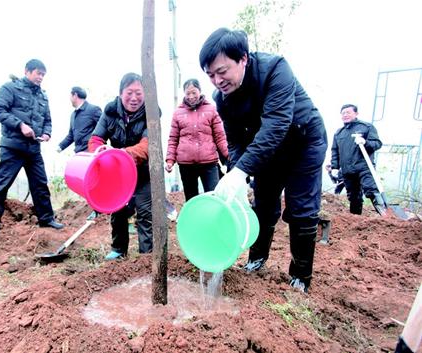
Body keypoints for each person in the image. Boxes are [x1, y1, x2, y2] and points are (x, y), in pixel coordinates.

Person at [199, 28, 328, 293]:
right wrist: (237, 172)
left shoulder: (275, 70)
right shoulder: (221, 99)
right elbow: (235, 140)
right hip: (267, 151)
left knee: (301, 207)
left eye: (222, 71)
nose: (217, 80)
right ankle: (257, 259)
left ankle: (300, 276)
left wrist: (242, 170)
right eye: (210, 75)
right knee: (264, 203)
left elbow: (277, 124)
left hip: (302, 142)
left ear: (243, 59)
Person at [0, 59, 64, 236]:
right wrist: (20, 125)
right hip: (13, 146)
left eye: (43, 75)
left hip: (33, 148)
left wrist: (47, 133)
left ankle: (46, 219)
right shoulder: (10, 88)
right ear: (27, 71)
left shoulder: (42, 95)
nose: (41, 77)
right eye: (38, 73)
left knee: (40, 184)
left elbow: (48, 120)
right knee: (3, 184)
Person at [88, 72, 153, 260]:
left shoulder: (151, 113)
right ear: (120, 94)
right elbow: (95, 139)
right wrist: (99, 152)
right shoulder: (109, 112)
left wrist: (123, 154)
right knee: (117, 210)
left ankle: (147, 255)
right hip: (118, 173)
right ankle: (118, 249)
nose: (134, 98)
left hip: (143, 173)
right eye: (129, 93)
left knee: (145, 212)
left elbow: (148, 145)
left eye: (139, 93)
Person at [165, 78, 228, 201]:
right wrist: (170, 160)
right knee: (191, 198)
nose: (191, 96)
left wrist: (228, 155)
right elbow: (173, 139)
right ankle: (194, 220)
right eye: (188, 93)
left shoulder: (211, 110)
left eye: (194, 92)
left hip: (209, 163)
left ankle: (214, 220)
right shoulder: (178, 113)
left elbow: (220, 137)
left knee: (213, 197)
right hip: (186, 164)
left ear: (200, 91)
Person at [330, 104, 385, 216]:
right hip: (347, 170)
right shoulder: (339, 133)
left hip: (364, 167)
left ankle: (386, 215)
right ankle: (355, 220)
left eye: (348, 112)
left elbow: (377, 143)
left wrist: (366, 142)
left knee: (371, 190)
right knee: (353, 197)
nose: (345, 115)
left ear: (356, 114)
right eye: (343, 113)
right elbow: (335, 151)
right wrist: (335, 167)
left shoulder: (366, 127)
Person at [57, 86, 102, 220]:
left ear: (74, 95)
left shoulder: (93, 110)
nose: (70, 99)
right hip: (80, 155)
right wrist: (60, 146)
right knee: (85, 183)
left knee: (94, 181)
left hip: (91, 152)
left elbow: (104, 126)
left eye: (70, 96)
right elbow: (71, 135)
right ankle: (95, 207)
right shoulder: (74, 115)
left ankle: (98, 210)